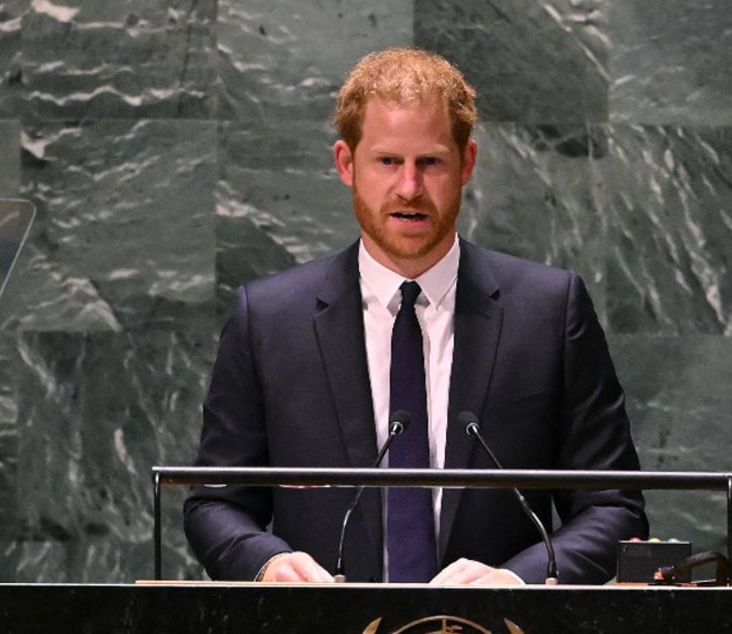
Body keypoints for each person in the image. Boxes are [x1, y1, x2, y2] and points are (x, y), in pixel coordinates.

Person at [183, 47, 647, 585]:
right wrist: (266, 563)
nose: (409, 187)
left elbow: (615, 509)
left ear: (466, 164)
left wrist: (517, 582)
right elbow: (214, 503)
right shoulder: (267, 320)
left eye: (430, 162)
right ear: (345, 164)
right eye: (387, 162)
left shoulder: (548, 311)